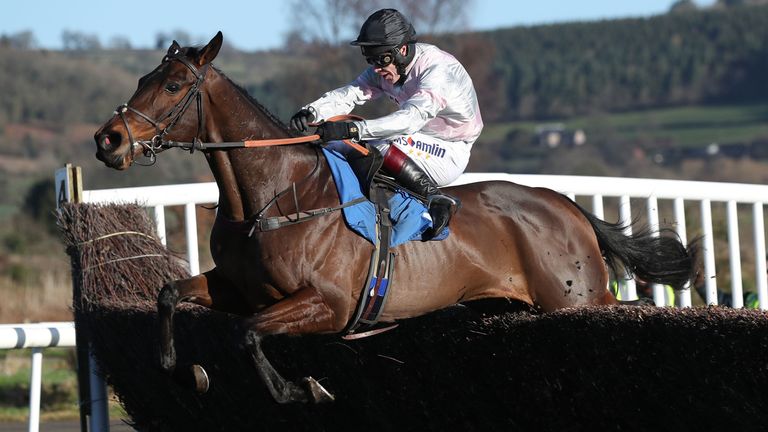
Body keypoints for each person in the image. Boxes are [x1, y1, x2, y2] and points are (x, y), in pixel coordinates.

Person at [289, 8, 484, 240]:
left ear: (402, 50)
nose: (377, 68)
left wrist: (355, 128)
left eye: (381, 59)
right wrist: (312, 111)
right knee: (336, 145)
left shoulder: (438, 70)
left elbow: (411, 119)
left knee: (375, 143)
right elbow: (351, 93)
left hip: (450, 149)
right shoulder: (386, 69)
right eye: (371, 60)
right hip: (418, 140)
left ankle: (435, 197)